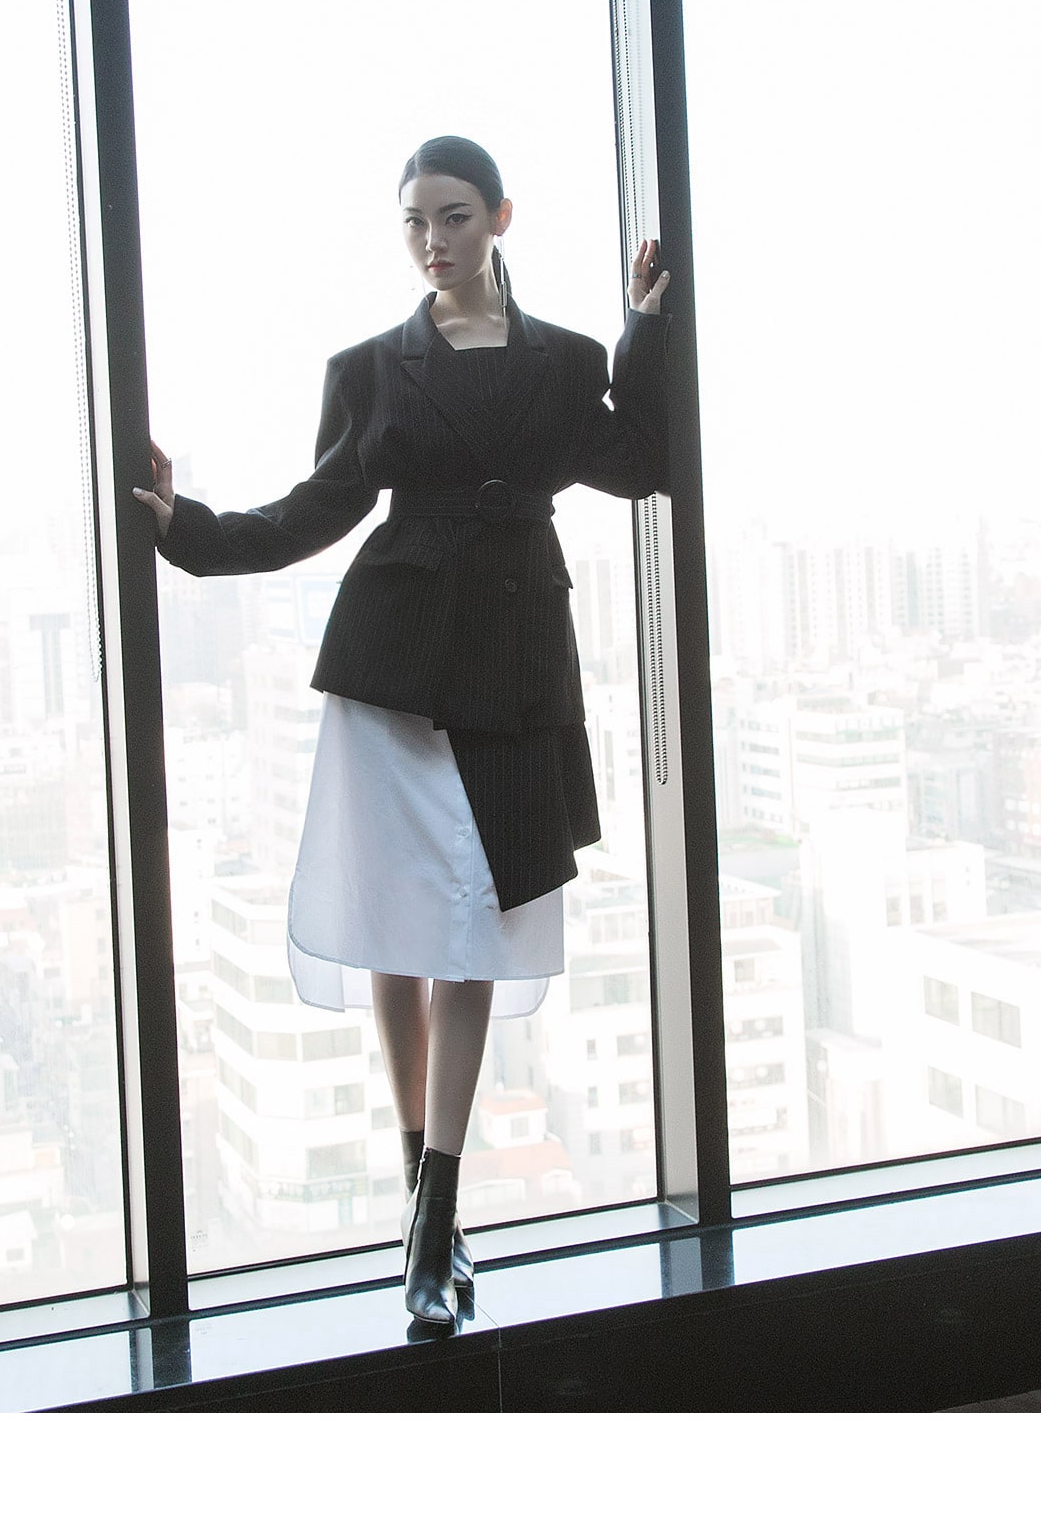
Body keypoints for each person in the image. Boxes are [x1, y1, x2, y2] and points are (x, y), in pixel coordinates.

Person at [135, 135, 671, 1330]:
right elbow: (314, 510)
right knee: (398, 926)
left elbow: (643, 465)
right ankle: (423, 1194)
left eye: (455, 215)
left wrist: (641, 331)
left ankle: (436, 1214)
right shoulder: (373, 368)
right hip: (394, 662)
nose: (434, 240)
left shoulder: (565, 363)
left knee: (475, 929)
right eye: (417, 222)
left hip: (516, 662)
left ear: (502, 217)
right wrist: (187, 527)